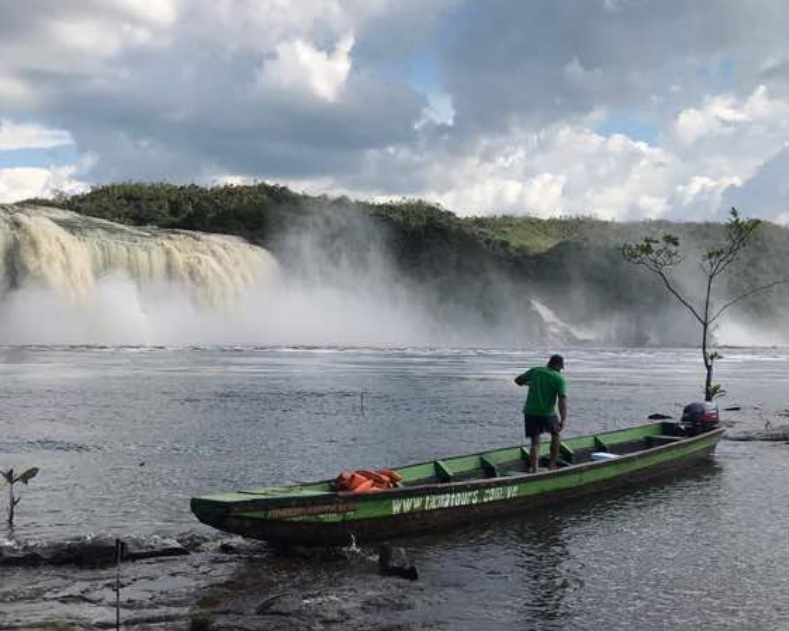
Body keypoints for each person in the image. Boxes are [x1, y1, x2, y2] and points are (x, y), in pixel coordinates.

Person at [514, 354, 567, 473]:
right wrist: (563, 419)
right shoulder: (559, 379)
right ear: (558, 366)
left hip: (530, 412)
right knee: (556, 435)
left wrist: (528, 384)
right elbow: (562, 401)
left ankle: (535, 469)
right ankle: (552, 465)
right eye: (560, 368)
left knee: (535, 442)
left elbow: (517, 380)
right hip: (547, 413)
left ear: (549, 363)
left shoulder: (536, 371)